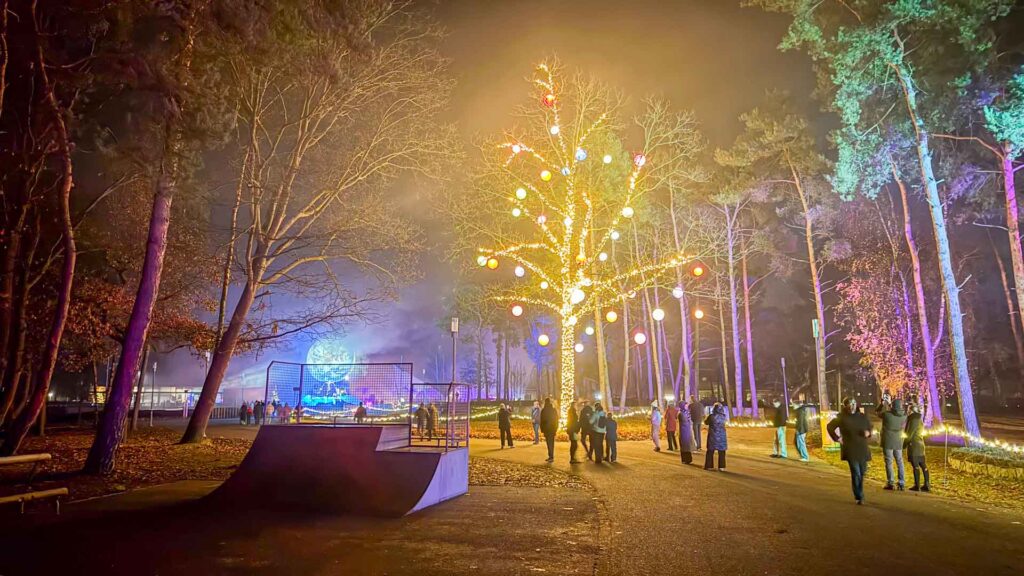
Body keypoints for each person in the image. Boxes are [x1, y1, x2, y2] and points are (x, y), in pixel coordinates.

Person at [827, 397, 873, 505]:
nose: (851, 406)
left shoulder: (862, 416)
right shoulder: (841, 417)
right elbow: (830, 427)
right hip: (850, 448)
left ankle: (859, 492)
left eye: (853, 404)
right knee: (856, 472)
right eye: (849, 404)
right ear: (845, 406)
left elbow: (869, 427)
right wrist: (837, 438)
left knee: (862, 472)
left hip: (862, 448)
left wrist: (868, 433)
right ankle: (859, 496)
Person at [877, 396, 908, 490]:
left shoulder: (887, 415)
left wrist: (882, 404)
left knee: (889, 461)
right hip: (898, 440)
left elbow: (877, 413)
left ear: (892, 406)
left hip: (888, 440)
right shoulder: (904, 416)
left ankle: (891, 482)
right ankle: (901, 482)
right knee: (899, 461)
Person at [904, 402, 930, 492]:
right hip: (920, 444)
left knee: (916, 465)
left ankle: (917, 485)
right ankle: (926, 484)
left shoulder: (913, 420)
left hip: (914, 445)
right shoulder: (919, 419)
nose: (908, 411)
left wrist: (904, 444)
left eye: (909, 409)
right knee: (922, 464)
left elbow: (909, 433)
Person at [704, 403, 728, 471]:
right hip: (722, 435)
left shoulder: (711, 416)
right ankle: (721, 466)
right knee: (722, 451)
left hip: (713, 435)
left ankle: (709, 465)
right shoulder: (724, 416)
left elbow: (706, 422)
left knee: (710, 451)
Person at [792, 397, 811, 462]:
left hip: (801, 430)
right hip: (801, 429)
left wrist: (799, 430)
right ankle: (803, 456)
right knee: (798, 443)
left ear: (797, 405)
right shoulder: (800, 410)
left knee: (801, 443)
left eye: (793, 405)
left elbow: (801, 422)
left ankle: (805, 457)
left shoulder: (800, 411)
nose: (793, 406)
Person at [540, 397, 558, 462]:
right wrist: (556, 428)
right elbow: (556, 420)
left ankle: (550, 456)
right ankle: (551, 456)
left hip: (546, 429)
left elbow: (541, 421)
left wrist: (542, 429)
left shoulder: (543, 410)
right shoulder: (553, 410)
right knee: (551, 443)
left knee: (548, 443)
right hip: (552, 429)